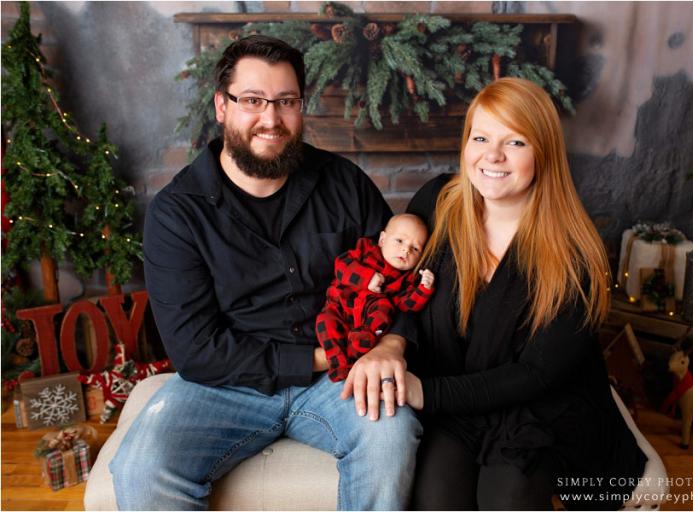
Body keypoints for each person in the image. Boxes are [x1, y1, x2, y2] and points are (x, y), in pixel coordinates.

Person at [109, 35, 421, 510]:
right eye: (252, 100)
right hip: (228, 386)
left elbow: (402, 279)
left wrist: (392, 344)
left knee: (389, 437)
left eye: (286, 102)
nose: (271, 119)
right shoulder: (177, 213)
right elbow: (196, 352)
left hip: (341, 382)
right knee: (140, 468)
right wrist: (326, 356)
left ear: (301, 106)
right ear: (221, 105)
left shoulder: (343, 183)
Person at [403, 78, 648, 510]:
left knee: (509, 499)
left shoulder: (574, 254)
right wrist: (389, 345)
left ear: (544, 153)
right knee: (436, 501)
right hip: (457, 403)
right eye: (481, 137)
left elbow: (536, 375)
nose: (492, 155)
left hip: (537, 409)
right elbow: (396, 290)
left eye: (515, 141)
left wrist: (426, 392)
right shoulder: (435, 204)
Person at [316, 213, 435, 381]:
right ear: (382, 239)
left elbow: (406, 305)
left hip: (367, 322)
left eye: (415, 248)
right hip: (340, 306)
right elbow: (342, 265)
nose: (406, 250)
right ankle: (339, 364)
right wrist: (366, 278)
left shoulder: (407, 279)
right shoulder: (365, 251)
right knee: (324, 322)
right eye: (400, 241)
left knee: (384, 309)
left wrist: (424, 288)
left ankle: (359, 349)